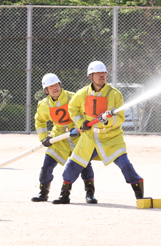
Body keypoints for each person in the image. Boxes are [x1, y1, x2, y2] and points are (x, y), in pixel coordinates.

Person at [52, 61, 144, 204]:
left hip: (111, 137)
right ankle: (65, 195)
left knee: (125, 164)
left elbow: (119, 118)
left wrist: (107, 121)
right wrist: (80, 122)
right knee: (73, 164)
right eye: (98, 73)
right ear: (90, 76)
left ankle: (139, 193)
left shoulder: (114, 94)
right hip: (89, 137)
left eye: (104, 73)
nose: (102, 75)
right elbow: (72, 108)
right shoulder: (82, 94)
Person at [32, 73, 97, 204]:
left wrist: (79, 126)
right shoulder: (44, 105)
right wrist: (44, 137)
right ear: (46, 90)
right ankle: (43, 192)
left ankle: (90, 193)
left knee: (85, 165)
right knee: (47, 165)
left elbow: (87, 113)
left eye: (56, 84)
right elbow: (39, 121)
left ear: (60, 85)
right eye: (50, 87)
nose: (54, 88)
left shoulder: (73, 97)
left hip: (78, 136)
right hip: (58, 138)